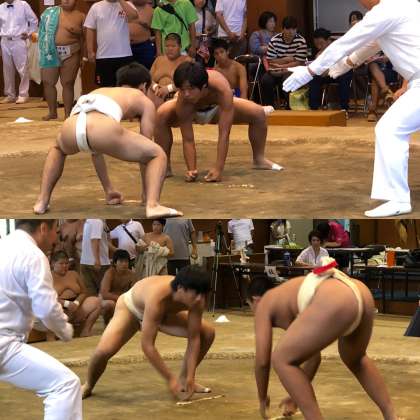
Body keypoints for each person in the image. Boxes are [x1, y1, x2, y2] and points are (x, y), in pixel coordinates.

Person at [283, 0, 420, 218]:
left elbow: (347, 42)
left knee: (389, 130)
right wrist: (342, 65)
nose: (361, 3)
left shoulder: (386, 10)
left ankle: (398, 199)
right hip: (416, 82)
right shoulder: (405, 5)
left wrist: (310, 71)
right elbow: (372, 44)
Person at [249, 258, 402, 420]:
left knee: (281, 359)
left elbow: (262, 361)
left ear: (255, 300)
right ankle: (391, 415)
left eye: (250, 306)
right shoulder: (287, 298)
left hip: (336, 297)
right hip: (359, 291)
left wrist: (262, 398)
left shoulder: (265, 303)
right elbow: (314, 358)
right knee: (355, 358)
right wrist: (295, 397)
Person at [33, 62, 182, 217]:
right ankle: (153, 205)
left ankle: (42, 201)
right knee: (157, 154)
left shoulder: (100, 91)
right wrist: (146, 195)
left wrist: (108, 189)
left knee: (57, 149)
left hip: (71, 127)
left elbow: (95, 150)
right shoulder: (143, 99)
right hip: (102, 128)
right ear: (144, 86)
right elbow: (146, 152)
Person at [81, 266, 215, 401]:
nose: (200, 299)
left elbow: (194, 338)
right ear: (180, 288)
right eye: (196, 294)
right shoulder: (158, 296)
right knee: (103, 351)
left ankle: (185, 381)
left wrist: (190, 376)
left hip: (163, 314)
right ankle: (88, 385)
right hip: (131, 309)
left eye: (203, 294)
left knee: (207, 333)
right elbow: (147, 345)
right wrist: (170, 379)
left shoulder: (197, 301)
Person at [0, 220, 81, 419]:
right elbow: (46, 309)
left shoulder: (4, 246)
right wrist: (64, 329)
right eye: (55, 231)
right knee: (65, 385)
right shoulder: (33, 255)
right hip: (5, 342)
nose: (56, 238)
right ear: (43, 228)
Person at [155, 62, 281, 182]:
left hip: (217, 108)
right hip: (190, 109)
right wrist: (191, 170)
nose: (186, 94)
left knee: (258, 113)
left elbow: (224, 133)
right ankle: (165, 166)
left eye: (191, 89)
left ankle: (259, 159)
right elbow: (188, 139)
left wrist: (218, 168)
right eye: (182, 89)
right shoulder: (183, 100)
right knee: (161, 114)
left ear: (204, 86)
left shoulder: (221, 88)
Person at [39, 0, 85, 120]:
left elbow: (83, 38)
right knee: (48, 82)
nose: (66, 0)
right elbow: (42, 32)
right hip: (50, 52)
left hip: (71, 53)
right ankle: (52, 112)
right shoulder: (50, 13)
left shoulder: (80, 16)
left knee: (68, 83)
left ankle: (67, 113)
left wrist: (82, 57)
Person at [85, 0, 138, 87]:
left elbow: (134, 17)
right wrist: (90, 51)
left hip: (124, 55)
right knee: (106, 89)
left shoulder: (127, 4)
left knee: (126, 88)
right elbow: (90, 28)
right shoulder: (96, 7)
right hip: (103, 56)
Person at [52, 250, 102, 336]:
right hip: (59, 310)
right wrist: (67, 304)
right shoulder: (48, 277)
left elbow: (84, 292)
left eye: (66, 263)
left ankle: (86, 330)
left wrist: (76, 303)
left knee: (96, 301)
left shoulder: (74, 274)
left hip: (76, 307)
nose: (64, 266)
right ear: (53, 264)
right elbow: (47, 297)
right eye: (61, 263)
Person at [261, 16, 307, 108]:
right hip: (276, 70)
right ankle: (269, 107)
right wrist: (287, 59)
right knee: (265, 80)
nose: (291, 32)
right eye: (288, 29)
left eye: (294, 29)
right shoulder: (274, 40)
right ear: (282, 29)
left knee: (287, 79)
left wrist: (282, 66)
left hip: (293, 70)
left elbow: (299, 62)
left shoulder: (301, 41)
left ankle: (290, 107)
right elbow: (271, 60)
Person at [0, 0, 38, 104]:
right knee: (7, 69)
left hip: (19, 40)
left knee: (22, 68)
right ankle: (10, 95)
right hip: (4, 40)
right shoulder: (0, 7)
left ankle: (23, 94)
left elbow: (34, 20)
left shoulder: (23, 4)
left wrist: (29, 33)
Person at [308, 28, 352, 112]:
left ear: (328, 40)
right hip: (326, 74)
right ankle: (313, 108)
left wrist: (328, 70)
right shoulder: (318, 51)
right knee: (313, 78)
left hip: (341, 72)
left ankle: (344, 108)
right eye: (316, 44)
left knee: (345, 76)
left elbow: (343, 64)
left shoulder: (338, 46)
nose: (318, 46)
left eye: (321, 43)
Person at [149, 32, 192, 108]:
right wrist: (155, 87)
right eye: (167, 46)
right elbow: (148, 79)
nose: (170, 49)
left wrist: (168, 89)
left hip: (178, 98)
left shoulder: (187, 61)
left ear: (180, 47)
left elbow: (190, 82)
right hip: (157, 96)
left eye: (173, 46)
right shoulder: (158, 60)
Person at [100, 249, 137, 323]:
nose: (124, 264)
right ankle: (107, 323)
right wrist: (121, 299)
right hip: (109, 300)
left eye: (126, 261)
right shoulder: (110, 273)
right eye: (121, 261)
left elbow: (135, 292)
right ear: (115, 263)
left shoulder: (132, 275)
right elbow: (104, 294)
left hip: (124, 299)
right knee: (110, 304)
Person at [79, 219, 111, 297]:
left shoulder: (89, 222)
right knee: (102, 294)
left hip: (85, 261)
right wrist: (97, 260)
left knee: (90, 294)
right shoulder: (97, 221)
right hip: (98, 263)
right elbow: (94, 240)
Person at [129, 0, 155, 69]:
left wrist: (144, 23)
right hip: (125, 47)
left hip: (144, 47)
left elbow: (157, 30)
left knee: (147, 69)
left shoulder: (151, 10)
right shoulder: (124, 6)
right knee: (126, 71)